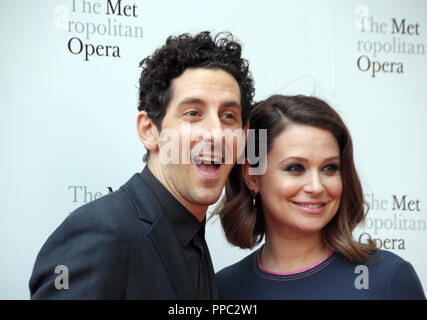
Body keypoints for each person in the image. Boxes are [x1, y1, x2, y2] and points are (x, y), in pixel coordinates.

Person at [29, 31, 254, 299]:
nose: (216, 134)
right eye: (193, 113)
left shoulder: (192, 236)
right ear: (149, 130)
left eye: (228, 116)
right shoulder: (100, 232)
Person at [215, 95, 425, 299]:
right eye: (295, 167)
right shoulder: (223, 288)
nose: (316, 187)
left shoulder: (388, 278)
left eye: (329, 168)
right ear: (252, 176)